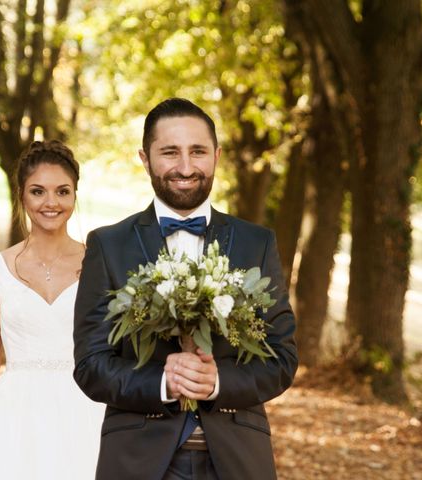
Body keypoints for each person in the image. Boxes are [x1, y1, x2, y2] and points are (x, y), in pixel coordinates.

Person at [73, 98, 298, 479]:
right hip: (138, 459)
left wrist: (217, 383)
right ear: (145, 159)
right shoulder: (108, 245)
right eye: (170, 152)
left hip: (237, 458)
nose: (186, 167)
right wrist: (163, 380)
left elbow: (281, 358)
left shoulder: (256, 243)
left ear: (217, 155)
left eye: (198, 152)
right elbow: (91, 365)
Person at [0, 140, 104, 479]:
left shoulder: (99, 263)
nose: (51, 203)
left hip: (86, 409)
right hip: (16, 414)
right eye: (38, 191)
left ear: (75, 195)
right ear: (21, 194)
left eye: (62, 191)